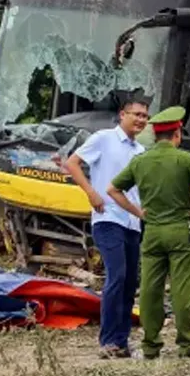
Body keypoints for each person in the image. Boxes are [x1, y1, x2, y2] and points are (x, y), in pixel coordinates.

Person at [106, 105, 190, 359]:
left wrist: (137, 212)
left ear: (155, 136)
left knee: (149, 290)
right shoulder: (186, 159)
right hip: (181, 232)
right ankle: (187, 345)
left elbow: (112, 189)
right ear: (177, 133)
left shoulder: (140, 161)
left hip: (153, 233)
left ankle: (150, 344)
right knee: (182, 290)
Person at [63, 96, 149, 359]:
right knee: (117, 275)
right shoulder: (103, 138)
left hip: (133, 222)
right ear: (122, 114)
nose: (141, 120)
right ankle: (108, 340)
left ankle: (121, 341)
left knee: (129, 281)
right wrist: (91, 192)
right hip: (107, 217)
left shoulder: (140, 152)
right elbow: (72, 163)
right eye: (136, 114)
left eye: (145, 116)